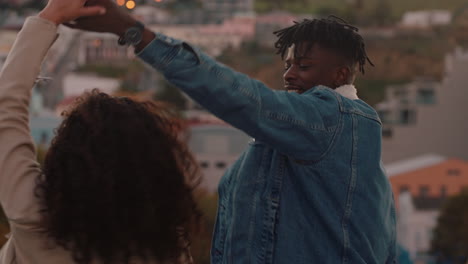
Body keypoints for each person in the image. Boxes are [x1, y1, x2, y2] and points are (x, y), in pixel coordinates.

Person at [65, 0, 396, 263]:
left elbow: (239, 97)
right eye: (287, 66)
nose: (289, 76)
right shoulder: (322, 140)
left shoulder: (332, 119)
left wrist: (136, 33)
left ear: (339, 75)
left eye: (304, 66)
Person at [0, 0, 201, 263]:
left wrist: (49, 18)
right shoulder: (166, 248)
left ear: (66, 157)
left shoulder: (33, 214)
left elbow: (6, 111)